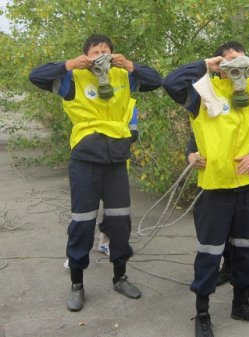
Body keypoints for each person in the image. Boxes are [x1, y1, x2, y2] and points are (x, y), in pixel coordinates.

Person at [163, 41, 249, 337]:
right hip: (215, 189)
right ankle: (202, 313)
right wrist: (206, 64)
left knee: (248, 251)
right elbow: (170, 82)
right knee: (210, 254)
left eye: (240, 61)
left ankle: (242, 303)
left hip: (247, 189)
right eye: (229, 62)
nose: (235, 67)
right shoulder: (203, 93)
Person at [29, 34, 162, 312]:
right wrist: (69, 64)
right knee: (82, 223)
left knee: (119, 223)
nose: (101, 54)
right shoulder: (72, 79)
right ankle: (77, 284)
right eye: (95, 51)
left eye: (106, 50)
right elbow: (36, 76)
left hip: (116, 159)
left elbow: (157, 80)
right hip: (85, 159)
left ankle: (120, 276)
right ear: (85, 55)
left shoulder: (122, 76)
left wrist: (131, 66)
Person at [186, 119, 249, 307]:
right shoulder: (211, 101)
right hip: (219, 186)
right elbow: (200, 137)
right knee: (222, 241)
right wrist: (191, 154)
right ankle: (228, 271)